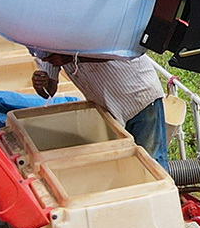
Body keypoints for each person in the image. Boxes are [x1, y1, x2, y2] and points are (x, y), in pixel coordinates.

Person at [31, 51, 172, 168]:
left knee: (151, 164)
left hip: (139, 97)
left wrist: (69, 58)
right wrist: (41, 84)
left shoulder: (89, 24)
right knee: (127, 166)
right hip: (110, 111)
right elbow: (49, 90)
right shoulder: (46, 43)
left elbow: (114, 51)